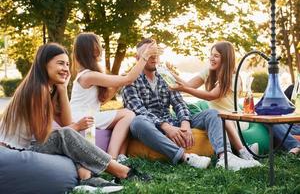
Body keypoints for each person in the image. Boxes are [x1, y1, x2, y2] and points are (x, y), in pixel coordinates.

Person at [0, 43, 150, 192]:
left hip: (28, 146)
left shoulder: (49, 88)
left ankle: (86, 178)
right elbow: (43, 135)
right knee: (66, 135)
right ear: (44, 64)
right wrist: (75, 127)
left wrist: (63, 88)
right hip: (14, 151)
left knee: (68, 135)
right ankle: (123, 172)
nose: (65, 68)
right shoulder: (37, 90)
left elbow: (66, 122)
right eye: (60, 63)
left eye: (67, 64)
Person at [122, 38, 261, 171]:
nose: (153, 57)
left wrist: (185, 123)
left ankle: (225, 157)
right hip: (152, 126)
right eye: (148, 54)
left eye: (155, 53)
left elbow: (180, 103)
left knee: (214, 113)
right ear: (137, 57)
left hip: (174, 122)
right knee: (138, 122)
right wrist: (166, 127)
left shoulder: (164, 77)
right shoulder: (129, 80)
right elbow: (139, 111)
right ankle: (185, 157)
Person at [70, 32, 158, 162]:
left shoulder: (90, 74)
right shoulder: (88, 75)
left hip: (88, 114)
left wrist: (118, 83)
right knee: (128, 114)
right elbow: (129, 79)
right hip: (81, 117)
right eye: (98, 46)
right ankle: (112, 157)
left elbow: (102, 100)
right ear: (91, 50)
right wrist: (145, 56)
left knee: (126, 115)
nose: (101, 49)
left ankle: (122, 157)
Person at [168, 41, 258, 160]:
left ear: (226, 59)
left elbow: (211, 95)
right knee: (218, 116)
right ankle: (238, 150)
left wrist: (185, 89)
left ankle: (242, 151)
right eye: (211, 55)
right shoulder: (209, 72)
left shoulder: (232, 77)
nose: (211, 58)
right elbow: (189, 85)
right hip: (216, 118)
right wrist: (170, 74)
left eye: (216, 56)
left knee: (223, 117)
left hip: (234, 119)